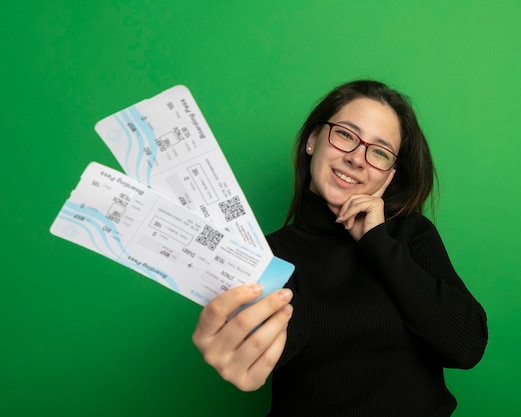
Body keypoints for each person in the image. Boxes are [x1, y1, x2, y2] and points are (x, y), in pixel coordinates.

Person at [192, 80, 488, 416]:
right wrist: (240, 354)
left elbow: (466, 347)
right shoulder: (268, 255)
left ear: (390, 175)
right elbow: (277, 343)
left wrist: (376, 242)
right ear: (312, 140)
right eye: (346, 134)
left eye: (379, 152)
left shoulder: (412, 234)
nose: (357, 159)